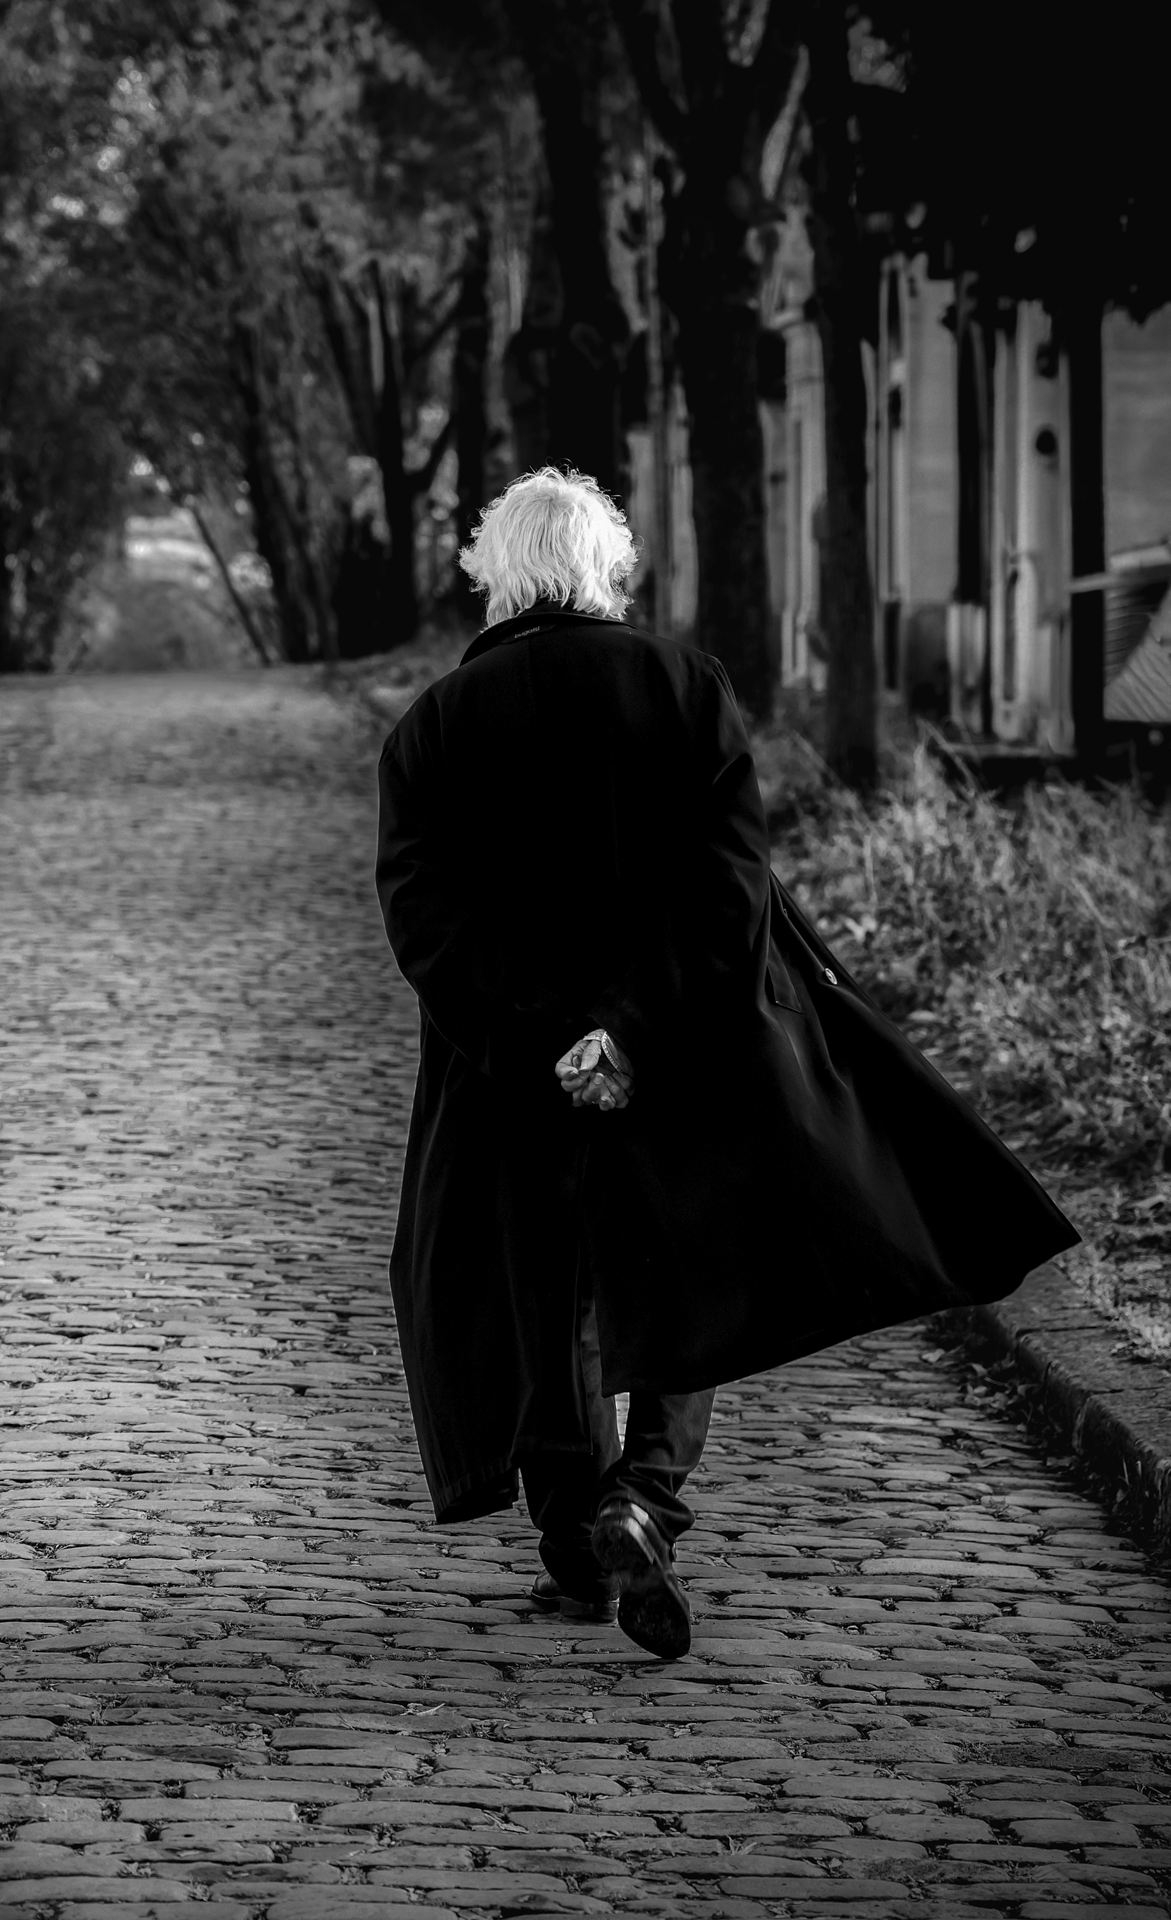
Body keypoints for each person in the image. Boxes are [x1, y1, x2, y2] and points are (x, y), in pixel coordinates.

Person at [374, 467, 1077, 1661]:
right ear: (609, 567)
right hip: (681, 1047)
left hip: (509, 1067)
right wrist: (630, 1031)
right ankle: (642, 1497)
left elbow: (423, 913)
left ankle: (574, 1542)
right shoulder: (684, 688)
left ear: (494, 574)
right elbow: (731, 886)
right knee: (681, 1274)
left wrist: (546, 1038)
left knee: (548, 1287)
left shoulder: (433, 728)